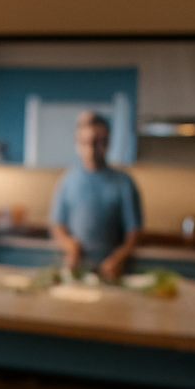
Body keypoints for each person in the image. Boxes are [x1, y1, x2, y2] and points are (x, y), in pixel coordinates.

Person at [49, 111, 143, 282]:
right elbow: (57, 225)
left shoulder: (124, 182)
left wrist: (116, 260)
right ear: (77, 143)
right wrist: (69, 245)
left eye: (98, 141)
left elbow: (134, 234)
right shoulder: (67, 180)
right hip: (75, 271)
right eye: (85, 142)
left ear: (108, 142)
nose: (91, 148)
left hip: (112, 273)